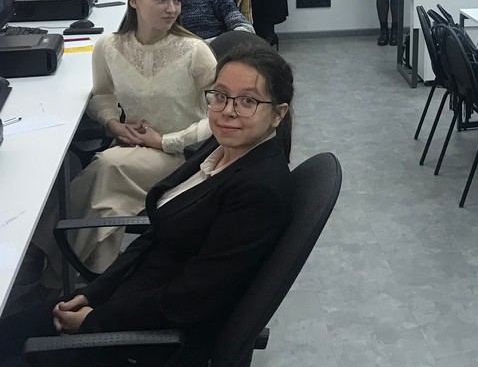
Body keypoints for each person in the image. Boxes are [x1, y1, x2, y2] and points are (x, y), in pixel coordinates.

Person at [1, 43, 293, 367]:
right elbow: (155, 236)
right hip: (125, 300)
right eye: (220, 96)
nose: (227, 111)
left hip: (147, 340)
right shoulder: (223, 145)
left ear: (278, 114)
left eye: (248, 101)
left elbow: (192, 299)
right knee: (9, 332)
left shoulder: (259, 191)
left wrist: (94, 320)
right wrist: (92, 293)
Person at [31, 0, 217, 287]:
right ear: (135, 1)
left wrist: (166, 141)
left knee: (107, 164)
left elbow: (221, 116)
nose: (171, 9)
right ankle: (93, 279)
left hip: (185, 156)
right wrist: (113, 124)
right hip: (133, 148)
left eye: (177, 1)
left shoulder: (194, 51)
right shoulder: (109, 47)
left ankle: (52, 264)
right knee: (107, 200)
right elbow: (102, 96)